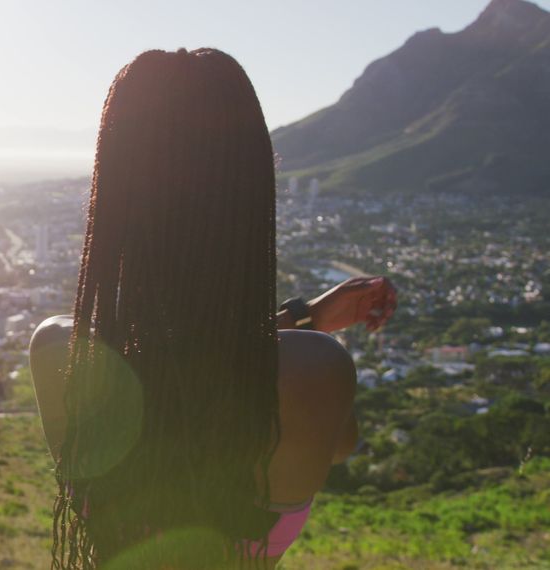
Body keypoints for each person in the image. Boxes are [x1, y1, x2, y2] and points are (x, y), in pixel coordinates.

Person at [29, 48, 397, 569]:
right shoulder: (318, 371)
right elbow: (332, 441)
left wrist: (302, 317)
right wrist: (307, 322)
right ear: (252, 191)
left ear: (111, 191)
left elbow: (170, 372)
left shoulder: (60, 354)